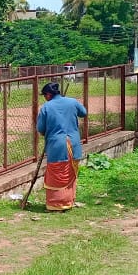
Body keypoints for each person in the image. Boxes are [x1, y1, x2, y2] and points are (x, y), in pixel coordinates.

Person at [36, 82, 88, 211]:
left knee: (56, 173)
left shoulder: (46, 107)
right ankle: (68, 201)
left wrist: (47, 131)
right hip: (74, 144)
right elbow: (83, 112)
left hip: (56, 146)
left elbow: (40, 128)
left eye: (44, 95)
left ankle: (56, 204)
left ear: (48, 94)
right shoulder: (72, 102)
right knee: (69, 171)